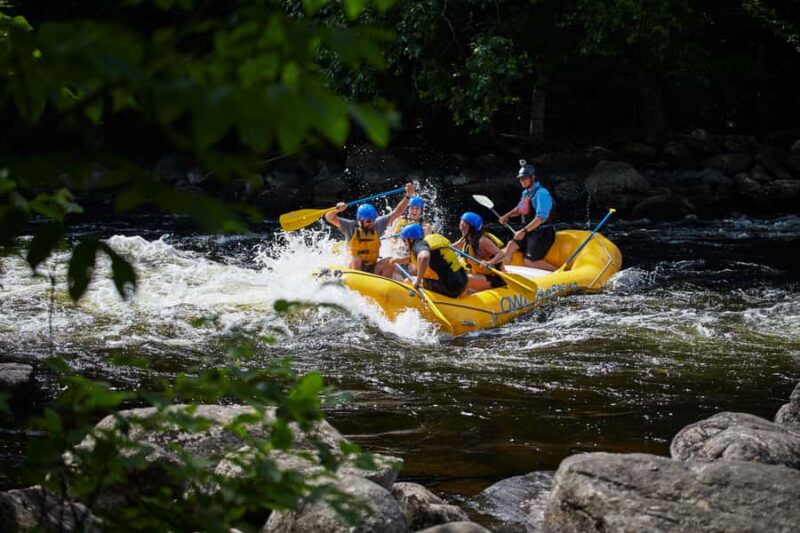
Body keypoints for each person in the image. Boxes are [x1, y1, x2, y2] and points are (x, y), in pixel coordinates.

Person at [324, 182, 415, 277]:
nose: (371, 223)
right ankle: (358, 283)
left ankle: (384, 287)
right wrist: (337, 210)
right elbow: (329, 217)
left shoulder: (377, 224)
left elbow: (397, 212)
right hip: (353, 269)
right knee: (356, 259)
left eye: (373, 220)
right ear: (360, 220)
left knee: (390, 261)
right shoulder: (350, 226)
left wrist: (408, 196)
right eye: (368, 221)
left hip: (372, 267)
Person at [499, 160, 556, 271]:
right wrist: (507, 215)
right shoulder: (526, 193)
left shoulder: (542, 194)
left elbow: (540, 218)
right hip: (531, 231)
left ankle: (558, 273)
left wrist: (523, 231)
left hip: (543, 233)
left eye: (524, 178)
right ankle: (502, 274)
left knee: (529, 262)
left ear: (533, 178)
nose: (522, 181)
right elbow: (520, 209)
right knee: (511, 245)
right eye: (520, 179)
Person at [392, 223, 467, 298]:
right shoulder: (429, 242)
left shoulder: (418, 245)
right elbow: (414, 258)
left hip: (449, 288)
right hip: (462, 281)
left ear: (411, 239)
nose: (404, 244)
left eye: (404, 241)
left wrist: (418, 280)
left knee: (408, 281)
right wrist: (397, 260)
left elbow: (424, 257)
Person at [452, 211, 506, 292]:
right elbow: (450, 247)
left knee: (462, 279)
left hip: (494, 278)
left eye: (464, 226)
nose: (461, 228)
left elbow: (501, 254)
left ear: (472, 228)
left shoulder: (482, 241)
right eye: (460, 224)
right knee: (454, 274)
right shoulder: (465, 239)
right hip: (479, 275)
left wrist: (490, 262)